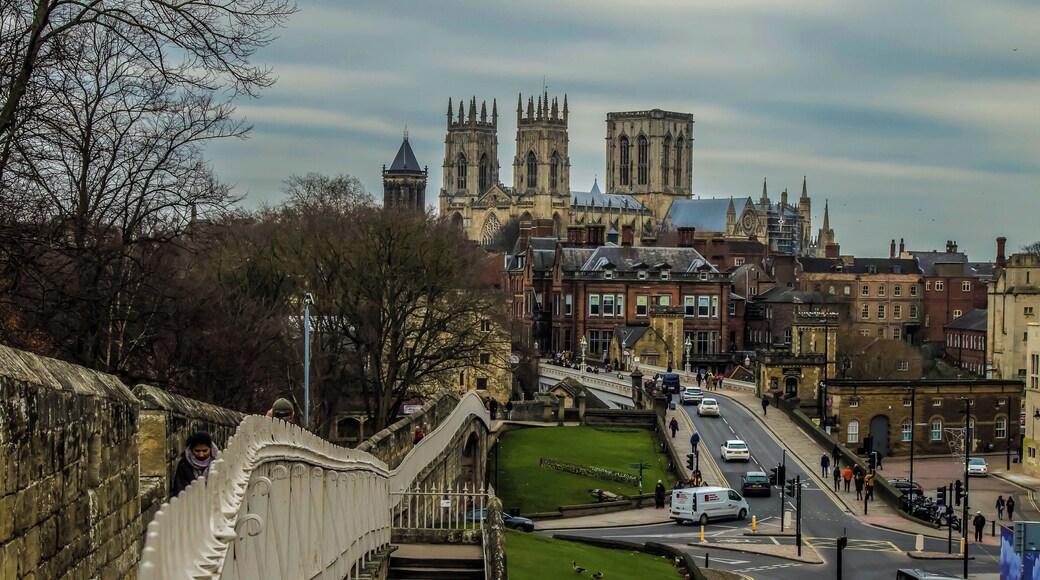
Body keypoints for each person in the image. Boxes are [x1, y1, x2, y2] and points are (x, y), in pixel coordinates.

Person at [171, 431, 218, 498]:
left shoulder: (217, 461)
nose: (201, 455)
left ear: (210, 449)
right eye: (197, 451)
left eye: (205, 451)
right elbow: (179, 488)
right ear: (191, 449)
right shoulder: (184, 464)